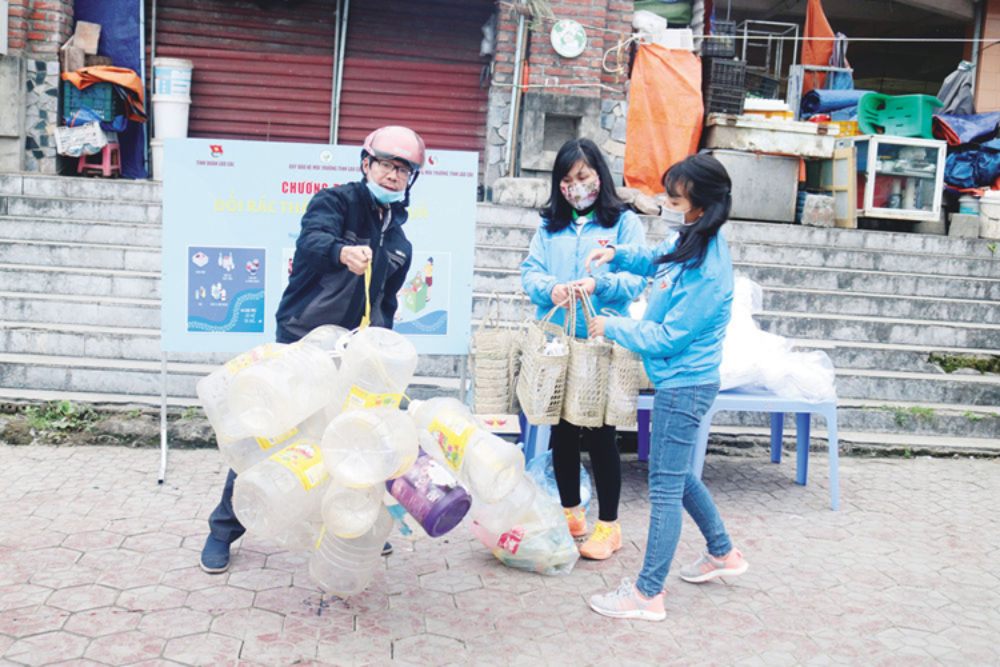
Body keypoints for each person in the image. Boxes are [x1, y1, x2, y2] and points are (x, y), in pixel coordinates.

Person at [200, 125, 426, 574]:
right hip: (305, 340)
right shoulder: (335, 202)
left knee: (361, 443)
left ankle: (357, 527)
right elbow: (313, 241)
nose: (392, 175)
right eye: (385, 164)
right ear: (366, 163)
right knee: (269, 436)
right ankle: (222, 531)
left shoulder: (401, 243)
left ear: (410, 179)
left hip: (358, 360)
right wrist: (343, 251)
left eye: (403, 169)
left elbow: (386, 301)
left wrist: (382, 348)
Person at [584, 153, 748, 621]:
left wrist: (611, 326)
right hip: (679, 381)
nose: (668, 200)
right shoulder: (692, 238)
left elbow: (670, 336)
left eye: (675, 193)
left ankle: (647, 593)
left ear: (698, 199)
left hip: (685, 383)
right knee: (675, 474)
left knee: (664, 488)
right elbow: (656, 257)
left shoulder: (710, 266)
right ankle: (722, 552)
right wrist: (615, 254)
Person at [520, 138, 647, 561]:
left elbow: (637, 279)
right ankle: (571, 514)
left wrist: (600, 283)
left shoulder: (623, 224)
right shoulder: (549, 227)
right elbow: (530, 273)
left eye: (584, 177)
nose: (577, 186)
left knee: (600, 432)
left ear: (599, 176)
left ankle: (608, 526)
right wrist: (551, 288)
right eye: (568, 180)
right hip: (558, 343)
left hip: (601, 342)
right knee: (562, 430)